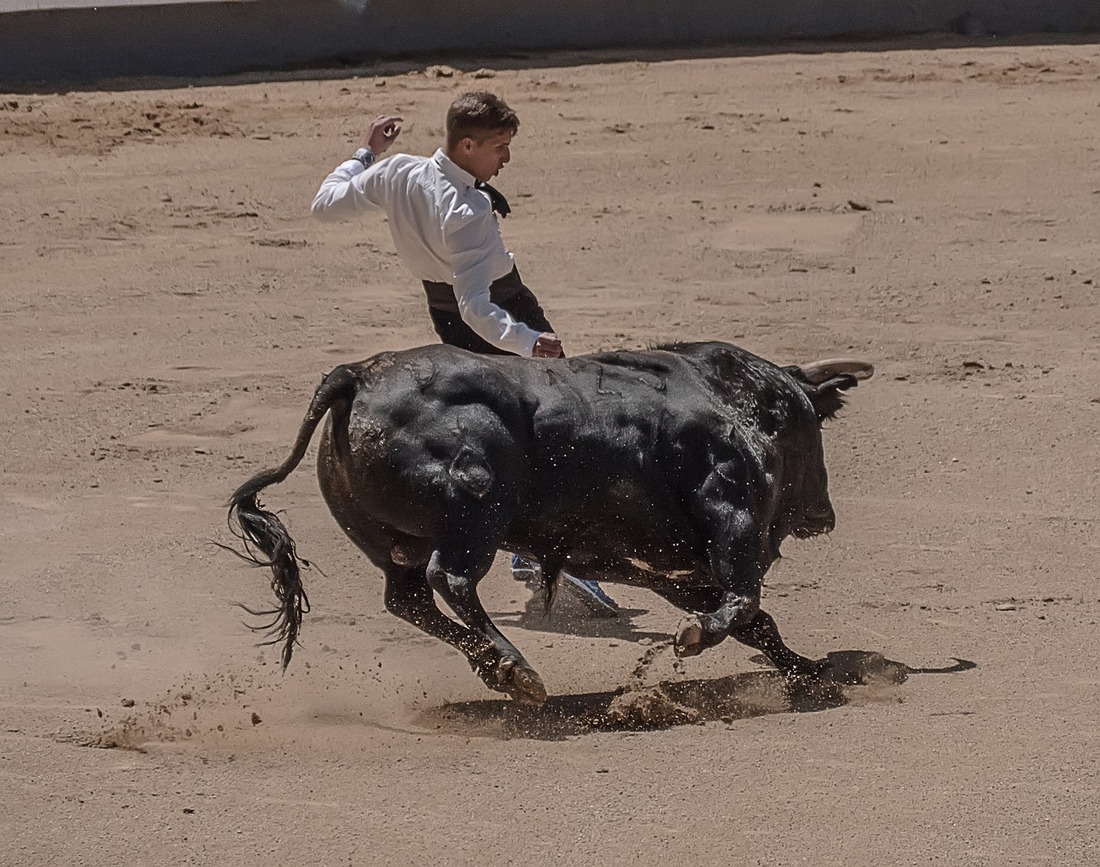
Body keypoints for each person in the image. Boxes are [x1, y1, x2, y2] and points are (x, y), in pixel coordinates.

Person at [310, 91, 619, 618]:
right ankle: (547, 560)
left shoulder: (397, 172)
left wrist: (366, 152)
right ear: (468, 144)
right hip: (501, 313)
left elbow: (326, 203)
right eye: (499, 147)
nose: (506, 158)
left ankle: (532, 553)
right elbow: (477, 305)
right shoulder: (467, 208)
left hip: (444, 321)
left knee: (499, 432)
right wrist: (528, 341)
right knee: (559, 430)